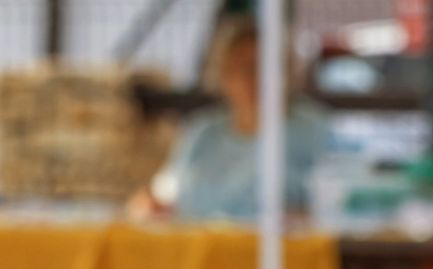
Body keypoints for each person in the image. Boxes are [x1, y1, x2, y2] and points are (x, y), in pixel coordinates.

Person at [133, 13, 330, 221]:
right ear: (222, 75)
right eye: (241, 68)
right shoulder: (202, 132)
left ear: (287, 72)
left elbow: (343, 204)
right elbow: (162, 196)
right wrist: (148, 206)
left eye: (264, 67)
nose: (253, 79)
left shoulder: (315, 131)